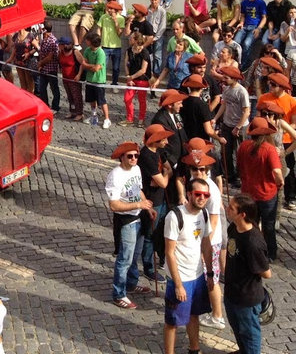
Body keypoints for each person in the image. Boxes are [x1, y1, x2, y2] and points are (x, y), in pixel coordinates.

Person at [162, 178, 214, 354]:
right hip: (181, 278)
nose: (202, 198)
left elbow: (206, 245)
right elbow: (169, 252)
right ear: (189, 194)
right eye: (198, 194)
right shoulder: (174, 216)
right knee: (173, 322)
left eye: (205, 195)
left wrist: (209, 274)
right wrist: (178, 285)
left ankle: (195, 349)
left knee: (194, 314)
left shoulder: (204, 214)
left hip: (198, 276)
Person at [105, 141, 154, 309]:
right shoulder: (115, 175)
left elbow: (137, 189)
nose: (134, 159)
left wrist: (146, 205)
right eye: (130, 156)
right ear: (122, 157)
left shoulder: (137, 169)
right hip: (126, 221)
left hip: (138, 216)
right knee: (124, 259)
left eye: (136, 156)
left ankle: (131, 284)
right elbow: (114, 205)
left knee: (135, 255)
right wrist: (138, 205)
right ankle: (118, 294)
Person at [223, 194, 272, 354]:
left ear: (242, 214)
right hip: (232, 292)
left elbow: (266, 273)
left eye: (231, 208)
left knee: (250, 333)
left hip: (247, 297)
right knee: (238, 328)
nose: (227, 209)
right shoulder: (233, 228)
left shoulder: (252, 242)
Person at [236, 114, 284, 261]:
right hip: (267, 193)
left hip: (248, 192)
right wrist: (280, 183)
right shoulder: (269, 149)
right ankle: (270, 252)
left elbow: (238, 167)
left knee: (252, 224)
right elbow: (277, 172)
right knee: (269, 225)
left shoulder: (243, 146)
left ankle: (251, 249)